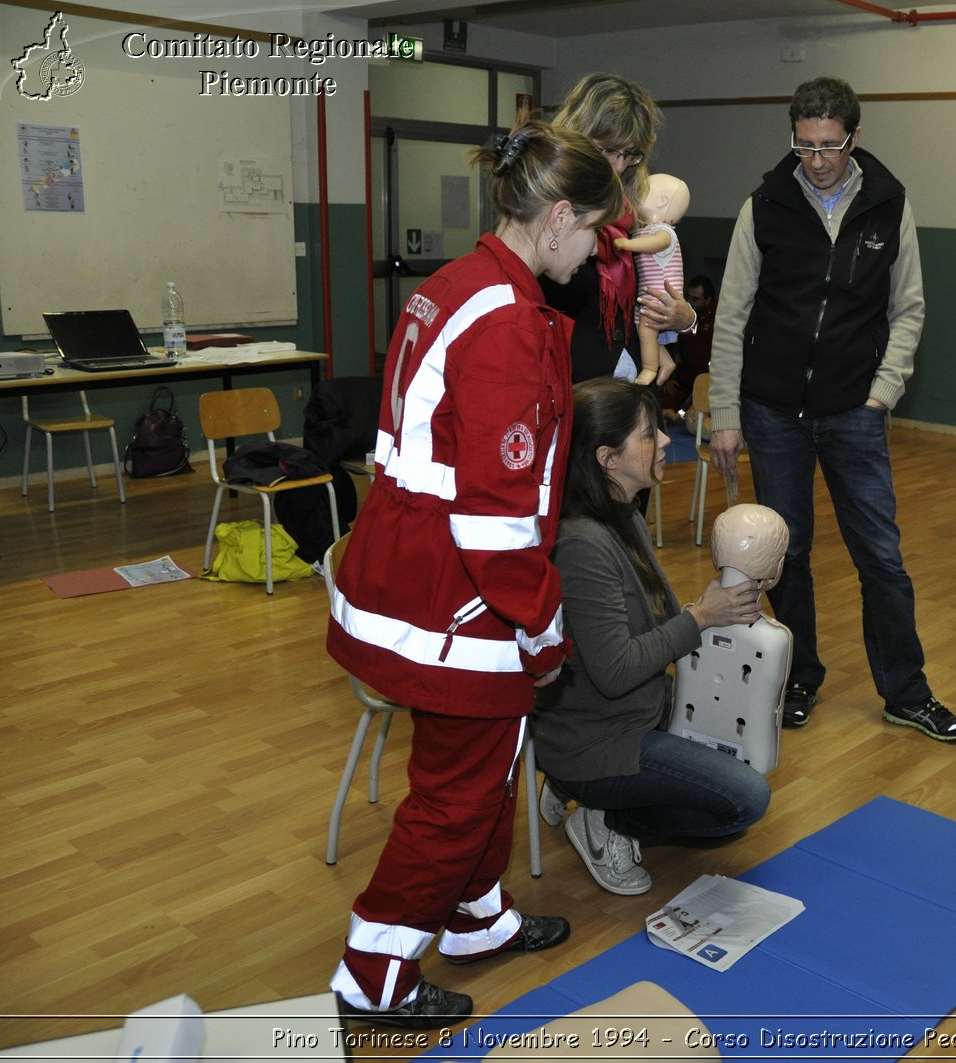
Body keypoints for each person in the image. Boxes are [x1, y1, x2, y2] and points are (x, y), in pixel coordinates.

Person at [323, 119, 626, 1028]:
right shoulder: (510, 325)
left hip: (405, 569)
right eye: (595, 232)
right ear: (559, 214)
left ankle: (475, 916)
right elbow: (498, 515)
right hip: (454, 594)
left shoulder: (457, 284)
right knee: (455, 792)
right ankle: (373, 976)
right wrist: (543, 628)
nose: (598, 250)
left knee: (488, 769)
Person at [708, 76, 956, 742]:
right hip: (771, 411)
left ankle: (906, 693)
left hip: (854, 408)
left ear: (855, 137)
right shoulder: (764, 205)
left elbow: (907, 307)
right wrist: (725, 411)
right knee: (784, 553)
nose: (817, 159)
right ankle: (799, 678)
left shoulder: (888, 205)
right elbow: (732, 313)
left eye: (828, 145)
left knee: (880, 556)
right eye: (804, 145)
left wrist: (883, 389)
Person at [534, 378, 771, 896]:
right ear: (607, 458)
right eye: (649, 434)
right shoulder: (583, 544)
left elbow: (644, 625)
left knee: (743, 754)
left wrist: (707, 614)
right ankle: (606, 818)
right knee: (745, 801)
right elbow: (616, 671)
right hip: (595, 739)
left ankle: (589, 795)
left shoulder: (621, 514)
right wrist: (701, 618)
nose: (666, 441)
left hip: (632, 714)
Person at [544, 72, 696, 383]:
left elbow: (649, 297)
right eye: (606, 150)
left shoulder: (637, 214)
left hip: (630, 390)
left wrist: (683, 319)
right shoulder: (549, 213)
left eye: (629, 154)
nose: (618, 165)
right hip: (576, 389)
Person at [614, 173, 691, 386]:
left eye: (642, 192)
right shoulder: (643, 230)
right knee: (646, 333)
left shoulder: (663, 231)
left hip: (661, 297)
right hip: (649, 297)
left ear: (662, 201)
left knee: (647, 329)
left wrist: (627, 245)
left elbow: (657, 243)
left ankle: (649, 369)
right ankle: (666, 362)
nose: (635, 196)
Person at [661, 273, 716, 413]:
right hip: (682, 378)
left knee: (696, 419)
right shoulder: (681, 313)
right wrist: (667, 378)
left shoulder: (720, 318)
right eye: (689, 297)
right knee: (662, 406)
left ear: (708, 300)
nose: (690, 302)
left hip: (709, 382)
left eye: (696, 299)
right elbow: (666, 343)